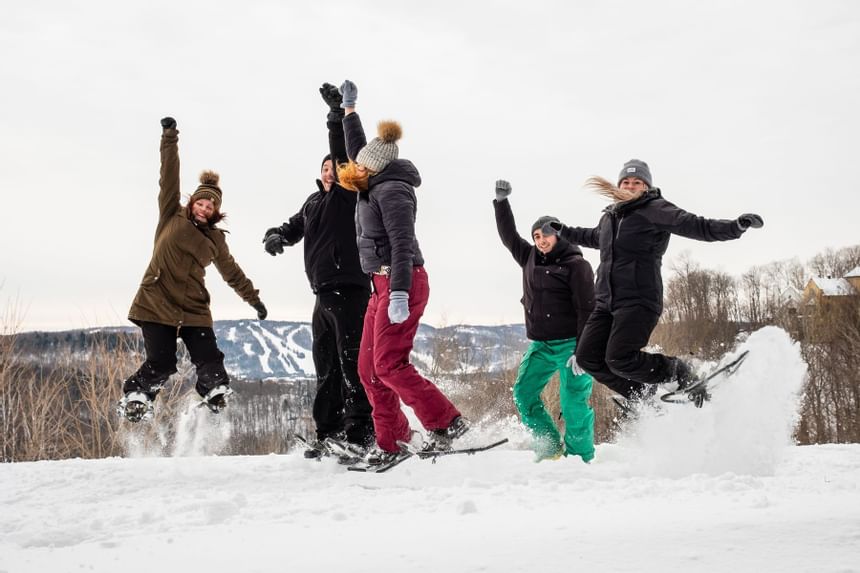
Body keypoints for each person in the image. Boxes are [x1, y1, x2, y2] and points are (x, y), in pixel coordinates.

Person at [550, 159, 764, 407]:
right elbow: (593, 237)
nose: (630, 186)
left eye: (637, 182)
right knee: (588, 358)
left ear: (646, 186)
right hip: (606, 302)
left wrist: (735, 227)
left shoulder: (655, 209)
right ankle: (642, 396)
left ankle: (678, 370)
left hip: (638, 300)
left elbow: (697, 225)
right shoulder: (610, 216)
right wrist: (563, 230)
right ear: (618, 184)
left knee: (619, 358)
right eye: (626, 182)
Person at [336, 79, 467, 465]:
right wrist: (349, 109)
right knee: (369, 371)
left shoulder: (392, 191)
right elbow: (356, 147)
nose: (353, 166)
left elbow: (402, 243)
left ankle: (447, 424)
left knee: (390, 365)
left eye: (360, 164)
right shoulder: (371, 180)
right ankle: (392, 441)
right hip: (380, 285)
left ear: (374, 167)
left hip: (401, 280)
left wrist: (397, 292)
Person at [118, 117, 267, 423]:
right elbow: (167, 175)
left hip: (193, 307)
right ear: (192, 202)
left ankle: (212, 392)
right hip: (156, 300)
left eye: (209, 207)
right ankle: (137, 397)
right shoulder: (170, 216)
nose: (203, 208)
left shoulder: (215, 240)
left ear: (215, 212)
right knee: (162, 363)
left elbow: (232, 273)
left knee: (211, 362)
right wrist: (169, 138)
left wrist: (253, 299)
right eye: (200, 202)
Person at [262, 83, 375, 457]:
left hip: (351, 289)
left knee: (352, 363)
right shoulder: (313, 203)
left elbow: (344, 156)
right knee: (325, 366)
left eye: (334, 167)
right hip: (322, 296)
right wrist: (276, 235)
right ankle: (329, 432)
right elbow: (292, 227)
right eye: (325, 168)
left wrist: (335, 117)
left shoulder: (347, 196)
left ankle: (360, 432)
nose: (330, 171)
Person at [493, 180, 597, 462]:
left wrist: (583, 349)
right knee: (524, 393)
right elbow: (508, 236)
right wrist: (501, 203)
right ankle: (550, 447)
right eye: (536, 235)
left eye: (546, 234)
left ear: (559, 234)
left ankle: (581, 458)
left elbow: (588, 308)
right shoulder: (529, 258)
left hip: (572, 345)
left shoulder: (577, 266)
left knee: (573, 402)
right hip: (542, 345)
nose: (541, 240)